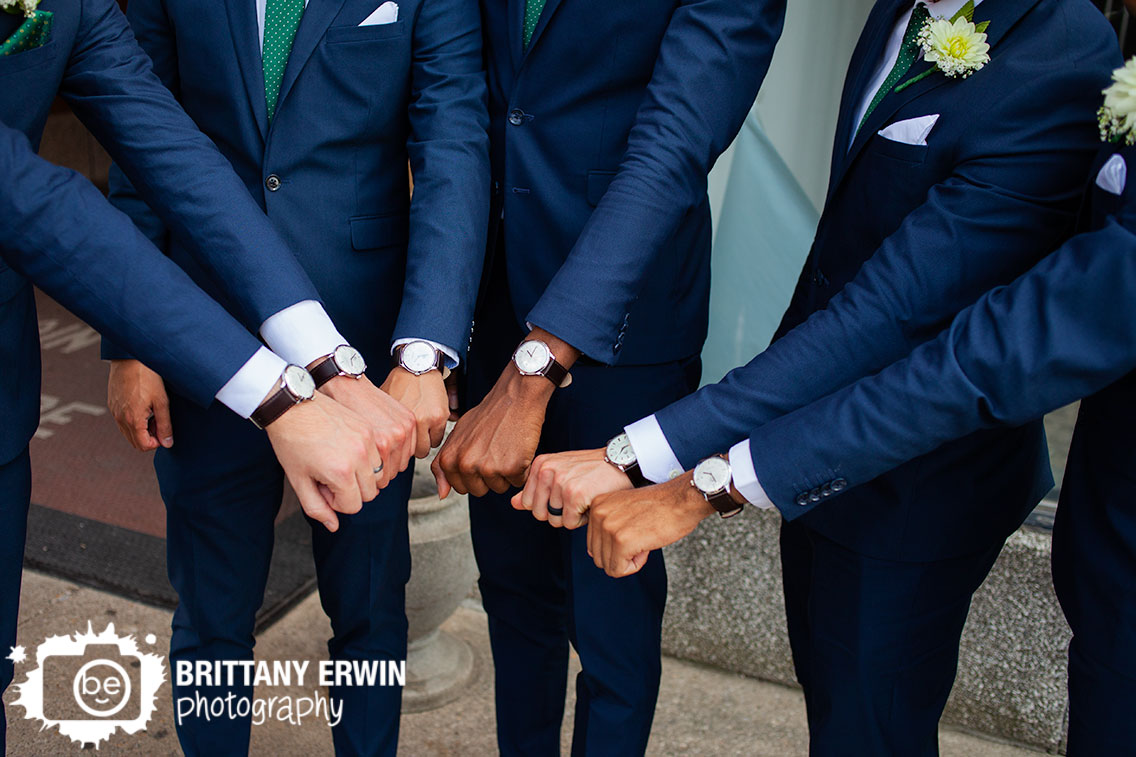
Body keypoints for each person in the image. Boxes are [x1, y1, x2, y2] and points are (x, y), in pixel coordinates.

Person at [513, 0, 1121, 752]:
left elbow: (886, 314)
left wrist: (651, 458)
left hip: (917, 491)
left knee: (869, 727)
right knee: (833, 708)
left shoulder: (1058, 53)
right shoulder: (898, 12)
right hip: (810, 451)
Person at [0, 0, 403, 747]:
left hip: (3, 395)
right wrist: (278, 395)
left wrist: (328, 362)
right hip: (196, 357)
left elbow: (167, 143)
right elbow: (32, 200)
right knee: (213, 611)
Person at [101, 0, 490, 753]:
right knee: (212, 612)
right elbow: (137, 123)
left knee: (372, 613)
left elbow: (454, 146)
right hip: (204, 334)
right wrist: (133, 340)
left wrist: (424, 352)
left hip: (364, 349)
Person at [427, 1, 786, 753]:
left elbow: (673, 145)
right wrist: (447, 326)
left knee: (611, 620)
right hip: (494, 304)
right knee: (514, 599)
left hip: (630, 327)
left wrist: (536, 366)